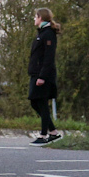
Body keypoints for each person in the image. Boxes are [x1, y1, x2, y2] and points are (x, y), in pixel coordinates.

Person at [28, 8, 61, 145]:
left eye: (36, 16)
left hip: (43, 75)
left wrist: (42, 76)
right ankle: (53, 132)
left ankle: (43, 135)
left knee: (41, 103)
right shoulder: (41, 33)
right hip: (36, 73)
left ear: (41, 17)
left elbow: (48, 57)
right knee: (35, 102)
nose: (34, 19)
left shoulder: (48, 34)